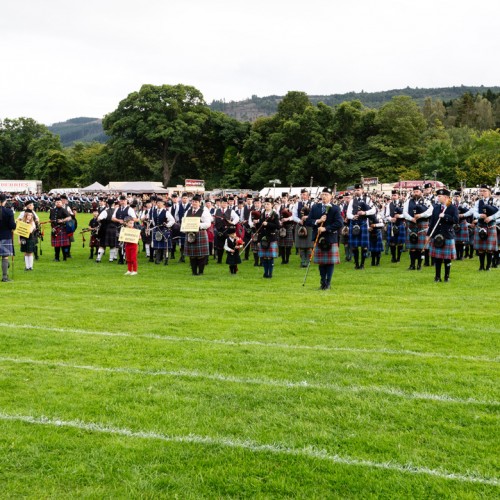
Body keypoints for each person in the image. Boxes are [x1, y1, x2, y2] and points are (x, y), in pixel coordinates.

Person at [306, 187, 344, 290]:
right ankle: (322, 282)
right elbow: (308, 221)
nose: (324, 196)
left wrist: (326, 228)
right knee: (321, 263)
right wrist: (318, 221)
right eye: (322, 194)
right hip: (319, 238)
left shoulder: (335, 208)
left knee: (330, 262)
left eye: (326, 194)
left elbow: (340, 223)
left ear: (331, 196)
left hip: (330, 238)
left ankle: (328, 283)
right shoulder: (315, 207)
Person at [462, 184, 499, 271]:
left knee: (489, 249)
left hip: (491, 225)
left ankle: (488, 266)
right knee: (481, 248)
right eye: (481, 191)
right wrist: (479, 215)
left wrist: (491, 217)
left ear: (489, 192)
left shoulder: (495, 201)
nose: (482, 193)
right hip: (480, 225)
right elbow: (474, 212)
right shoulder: (478, 202)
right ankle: (481, 266)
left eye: (484, 191)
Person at [426, 188, 459, 282]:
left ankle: (446, 277)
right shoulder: (436, 208)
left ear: (445, 197)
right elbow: (432, 222)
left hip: (447, 235)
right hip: (436, 235)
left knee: (447, 259)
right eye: (438, 196)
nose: (438, 198)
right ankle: (437, 277)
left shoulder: (452, 208)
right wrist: (428, 235)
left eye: (439, 196)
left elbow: (456, 220)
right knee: (437, 258)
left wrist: (445, 216)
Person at [403, 185, 433, 270]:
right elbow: (404, 212)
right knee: (412, 247)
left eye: (417, 191)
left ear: (421, 192)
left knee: (420, 247)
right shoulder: (408, 201)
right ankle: (412, 265)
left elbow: (430, 211)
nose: (415, 193)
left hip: (422, 223)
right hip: (411, 223)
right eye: (414, 192)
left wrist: (420, 215)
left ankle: (419, 265)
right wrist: (411, 218)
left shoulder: (426, 201)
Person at [347, 184, 376, 269]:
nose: (357, 191)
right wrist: (353, 216)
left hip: (363, 223)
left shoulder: (367, 200)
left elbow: (374, 210)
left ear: (362, 190)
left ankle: (362, 264)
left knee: (364, 246)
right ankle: (356, 264)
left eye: (358, 190)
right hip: (354, 223)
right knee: (355, 246)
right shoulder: (352, 201)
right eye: (355, 190)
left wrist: (365, 213)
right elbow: (348, 213)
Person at [183, 194, 212, 275]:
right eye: (193, 202)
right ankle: (194, 272)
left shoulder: (204, 212)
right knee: (192, 255)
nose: (194, 203)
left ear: (199, 203)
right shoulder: (188, 211)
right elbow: (184, 222)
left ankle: (201, 271)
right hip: (190, 234)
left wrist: (198, 225)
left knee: (201, 255)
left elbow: (208, 224)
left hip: (200, 233)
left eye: (196, 202)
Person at [255, 198, 280, 278]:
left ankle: (270, 273)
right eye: (265, 204)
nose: (266, 205)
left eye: (268, 204)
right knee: (264, 257)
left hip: (271, 238)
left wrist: (268, 224)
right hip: (263, 238)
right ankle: (265, 273)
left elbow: (278, 226)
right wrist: (259, 240)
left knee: (270, 257)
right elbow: (261, 228)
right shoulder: (262, 214)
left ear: (272, 205)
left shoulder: (275, 214)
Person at [292, 188, 314, 267]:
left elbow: (314, 215)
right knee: (301, 246)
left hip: (309, 226)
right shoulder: (297, 204)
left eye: (304, 194)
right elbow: (294, 215)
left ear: (308, 195)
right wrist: (299, 221)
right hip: (300, 225)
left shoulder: (312, 204)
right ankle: (302, 261)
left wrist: (307, 217)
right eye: (302, 194)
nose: (303, 196)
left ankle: (307, 261)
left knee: (308, 246)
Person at [384, 190, 406, 263]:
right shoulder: (389, 204)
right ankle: (393, 257)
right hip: (392, 224)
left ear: (398, 196)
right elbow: (386, 215)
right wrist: (391, 219)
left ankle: (398, 258)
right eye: (393, 195)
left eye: (395, 195)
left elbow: (406, 214)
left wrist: (400, 216)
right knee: (392, 242)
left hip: (400, 224)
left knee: (400, 242)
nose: (394, 197)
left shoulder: (403, 203)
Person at [49, 197, 72, 262]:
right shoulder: (52, 210)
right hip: (55, 229)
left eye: (59, 202)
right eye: (57, 202)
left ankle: (65, 257)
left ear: (61, 203)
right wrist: (52, 225)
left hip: (62, 228)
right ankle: (56, 258)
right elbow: (51, 219)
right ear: (55, 203)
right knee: (56, 245)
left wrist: (62, 220)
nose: (58, 203)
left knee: (64, 245)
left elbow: (69, 217)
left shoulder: (64, 210)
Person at [0, 193, 17, 282]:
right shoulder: (9, 211)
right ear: (4, 201)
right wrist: (16, 224)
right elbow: (12, 226)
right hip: (5, 236)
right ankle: (4, 277)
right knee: (5, 257)